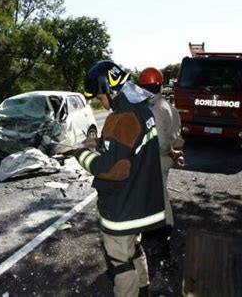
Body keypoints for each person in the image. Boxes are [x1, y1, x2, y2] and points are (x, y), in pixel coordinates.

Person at [75, 60, 166, 297]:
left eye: (99, 96)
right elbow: (129, 146)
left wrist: (80, 154)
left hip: (121, 208)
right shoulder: (142, 109)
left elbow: (112, 168)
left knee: (120, 262)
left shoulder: (123, 117)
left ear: (109, 88)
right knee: (134, 249)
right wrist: (99, 142)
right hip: (140, 203)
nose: (100, 102)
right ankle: (143, 290)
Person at [138, 67, 184, 262]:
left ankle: (162, 238)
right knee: (158, 196)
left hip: (158, 158)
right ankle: (158, 234)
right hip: (165, 158)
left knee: (159, 200)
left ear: (146, 86)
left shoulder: (154, 109)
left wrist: (171, 152)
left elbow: (161, 142)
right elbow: (177, 135)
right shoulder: (167, 105)